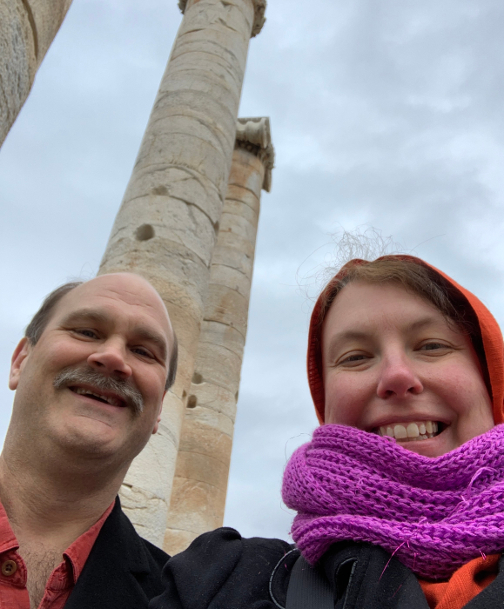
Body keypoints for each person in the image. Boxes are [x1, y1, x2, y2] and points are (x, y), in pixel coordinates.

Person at [150, 254, 504, 609]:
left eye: (431, 346)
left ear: (492, 385)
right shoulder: (218, 580)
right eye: (355, 357)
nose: (397, 376)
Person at [0, 272, 178, 609]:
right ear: (20, 361)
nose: (113, 357)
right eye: (86, 331)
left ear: (160, 413)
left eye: (143, 351)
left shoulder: (181, 596)